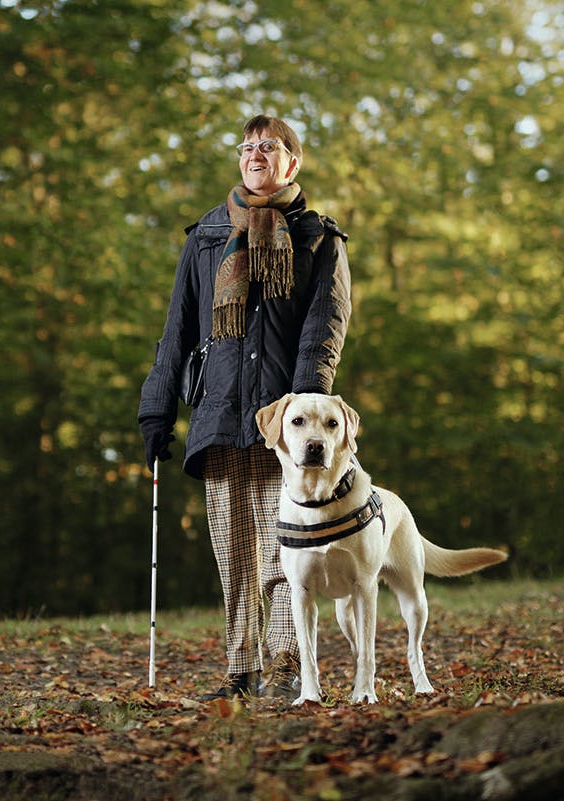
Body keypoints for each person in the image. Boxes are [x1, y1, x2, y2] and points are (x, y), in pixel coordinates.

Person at [138, 114, 351, 700]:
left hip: (282, 425)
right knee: (235, 557)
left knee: (285, 550)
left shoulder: (317, 238)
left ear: (292, 161)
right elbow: (176, 329)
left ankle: (286, 669)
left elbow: (323, 330)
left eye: (270, 146)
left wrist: (300, 414)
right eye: (247, 146)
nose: (256, 154)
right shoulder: (206, 237)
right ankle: (241, 671)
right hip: (217, 415)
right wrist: (156, 411)